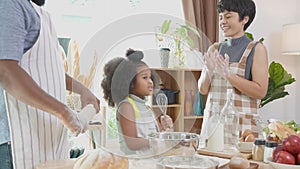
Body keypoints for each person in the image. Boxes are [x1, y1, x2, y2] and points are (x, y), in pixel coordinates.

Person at [0, 0, 100, 168]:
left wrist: (82, 90)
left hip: (45, 140)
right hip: (16, 143)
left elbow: (47, 68)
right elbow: (6, 70)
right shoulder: (10, 4)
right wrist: (63, 112)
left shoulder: (40, 14)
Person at [198, 0, 268, 142]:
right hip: (214, 125)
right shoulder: (215, 49)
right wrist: (209, 73)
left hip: (243, 129)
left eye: (228, 16)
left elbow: (260, 91)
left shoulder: (256, 49)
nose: (223, 21)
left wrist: (229, 75)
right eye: (220, 17)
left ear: (245, 19)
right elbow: (203, 89)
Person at [101, 49, 173, 155]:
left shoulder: (148, 109)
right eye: (144, 77)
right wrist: (159, 140)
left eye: (150, 77)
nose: (150, 81)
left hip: (150, 162)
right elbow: (132, 143)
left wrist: (168, 128)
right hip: (134, 163)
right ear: (130, 82)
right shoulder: (126, 106)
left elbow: (159, 137)